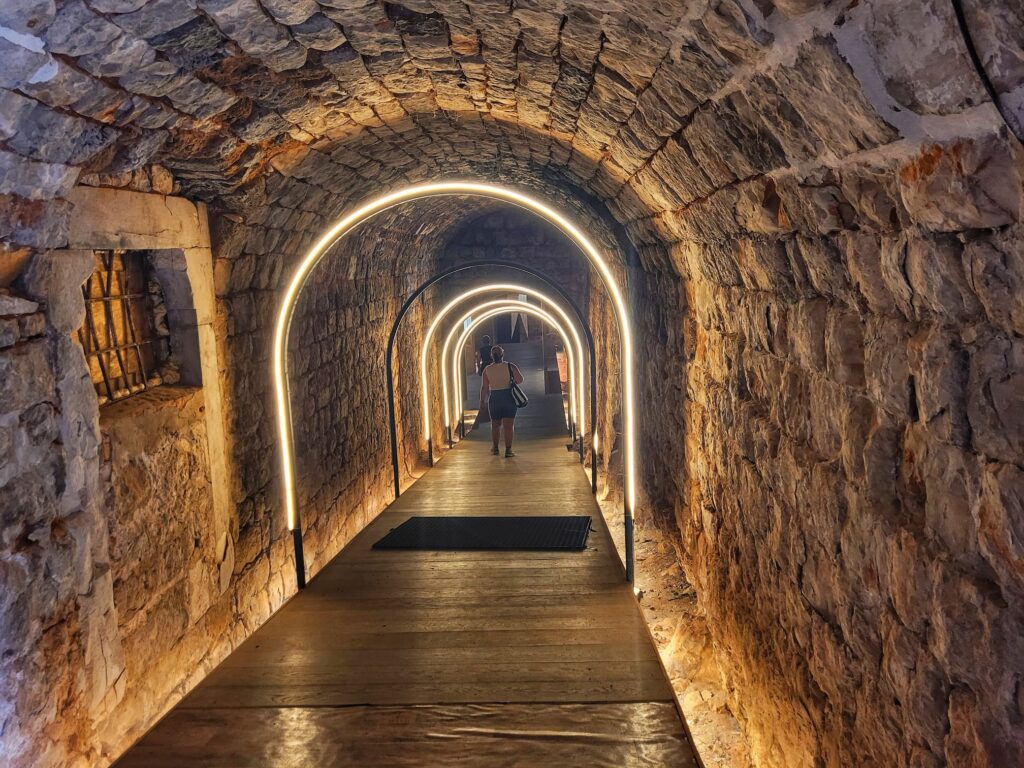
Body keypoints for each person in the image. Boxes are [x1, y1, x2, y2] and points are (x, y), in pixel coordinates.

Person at [479, 345, 524, 457]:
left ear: (491, 356)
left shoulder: (487, 370)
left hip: (495, 399)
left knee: (495, 425)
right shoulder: (510, 366)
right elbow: (520, 379)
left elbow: (484, 387)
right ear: (502, 354)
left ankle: (495, 448)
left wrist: (482, 401)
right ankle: (508, 450)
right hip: (509, 398)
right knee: (509, 426)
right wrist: (510, 381)